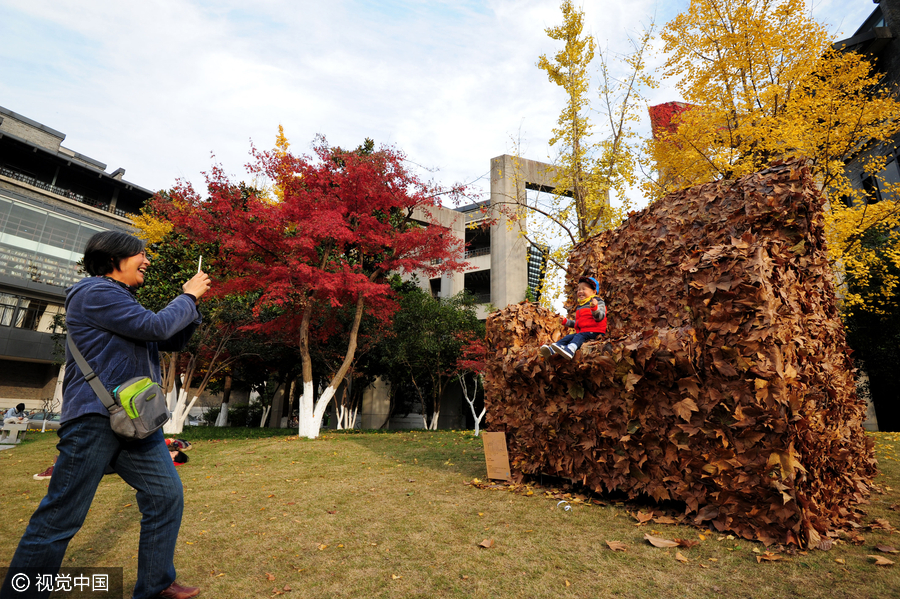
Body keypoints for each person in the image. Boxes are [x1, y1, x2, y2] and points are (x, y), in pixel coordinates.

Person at [1, 231, 211, 599]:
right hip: (96, 419)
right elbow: (157, 326)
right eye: (140, 255)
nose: (147, 261)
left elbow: (170, 339)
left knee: (165, 496)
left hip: (134, 420)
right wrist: (188, 296)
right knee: (61, 515)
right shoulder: (95, 292)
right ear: (114, 257)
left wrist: (193, 307)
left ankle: (156, 585)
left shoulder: (123, 301)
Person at [539, 276, 607, 360]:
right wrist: (566, 322)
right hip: (584, 332)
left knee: (579, 336)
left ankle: (571, 350)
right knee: (568, 337)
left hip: (595, 332)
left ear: (594, 292)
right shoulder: (580, 306)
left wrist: (595, 308)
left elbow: (600, 317)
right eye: (579, 289)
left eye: (584, 289)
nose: (580, 291)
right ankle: (553, 349)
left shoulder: (598, 302)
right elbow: (579, 323)